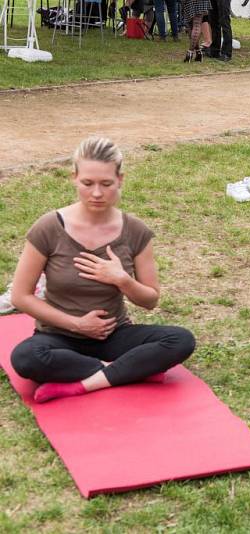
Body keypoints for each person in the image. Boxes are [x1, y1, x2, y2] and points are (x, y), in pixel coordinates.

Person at [9, 137, 196, 403]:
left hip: (113, 335)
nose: (97, 193)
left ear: (120, 179)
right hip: (59, 336)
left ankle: (81, 384)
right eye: (87, 183)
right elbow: (20, 296)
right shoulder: (49, 227)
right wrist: (77, 324)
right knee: (26, 358)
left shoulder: (135, 231)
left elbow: (150, 300)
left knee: (180, 340)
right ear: (74, 178)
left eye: (106, 184)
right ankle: (125, 372)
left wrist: (123, 280)